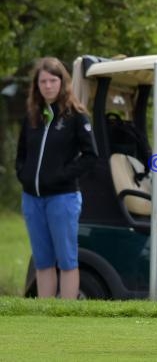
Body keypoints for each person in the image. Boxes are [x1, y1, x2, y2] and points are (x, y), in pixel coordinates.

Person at [16, 57, 98, 299]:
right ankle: (45, 311)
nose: (48, 86)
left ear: (62, 82)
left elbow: (91, 156)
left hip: (63, 198)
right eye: (43, 81)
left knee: (66, 258)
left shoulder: (76, 116)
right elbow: (21, 154)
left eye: (53, 80)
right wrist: (24, 175)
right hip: (32, 199)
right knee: (42, 259)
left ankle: (66, 311)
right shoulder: (32, 117)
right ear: (37, 85)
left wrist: (61, 176)